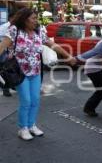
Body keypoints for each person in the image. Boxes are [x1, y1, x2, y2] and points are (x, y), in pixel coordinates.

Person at [0, 8, 72, 141]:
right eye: (33, 18)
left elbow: (53, 45)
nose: (36, 21)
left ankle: (31, 125)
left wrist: (68, 56)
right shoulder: (14, 31)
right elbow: (2, 47)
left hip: (36, 72)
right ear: (24, 19)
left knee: (35, 100)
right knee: (26, 101)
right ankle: (23, 128)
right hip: (19, 73)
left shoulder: (39, 32)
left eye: (36, 18)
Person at [0, 12, 15, 97]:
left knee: (9, 69)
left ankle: (11, 85)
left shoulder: (15, 27)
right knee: (5, 69)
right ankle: (6, 88)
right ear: (10, 18)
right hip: (3, 52)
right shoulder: (4, 27)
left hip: (8, 51)